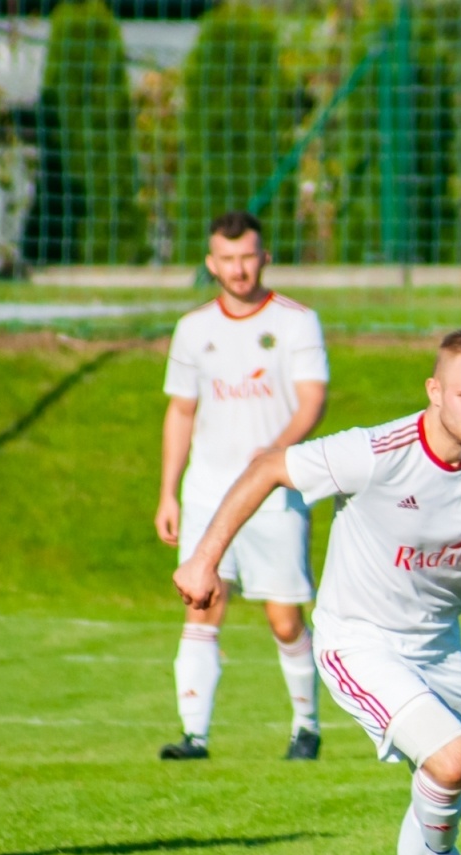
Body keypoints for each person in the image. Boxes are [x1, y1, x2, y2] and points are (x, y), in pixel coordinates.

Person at [173, 329, 461, 855]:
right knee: (450, 761)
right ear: (435, 391)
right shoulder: (375, 451)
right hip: (359, 640)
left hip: (437, 642)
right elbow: (266, 468)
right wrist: (204, 559)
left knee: (455, 792)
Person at [156, 211, 330, 761]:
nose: (238, 268)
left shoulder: (298, 322)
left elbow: (312, 401)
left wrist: (273, 454)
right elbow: (180, 412)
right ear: (211, 264)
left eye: (247, 256)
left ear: (265, 257)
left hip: (274, 493)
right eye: (227, 259)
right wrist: (168, 491)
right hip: (207, 490)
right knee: (201, 602)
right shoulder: (193, 328)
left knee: (283, 617)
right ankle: (195, 735)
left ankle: (306, 726)